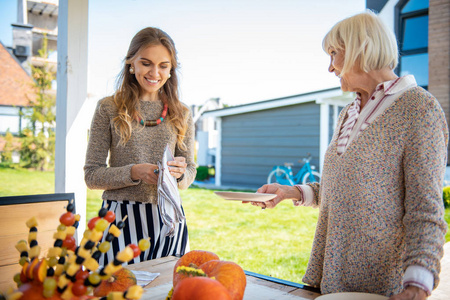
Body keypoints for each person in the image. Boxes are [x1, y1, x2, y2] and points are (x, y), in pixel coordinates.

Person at [248, 11, 448, 299]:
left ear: (361, 48)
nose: (330, 67)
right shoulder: (347, 113)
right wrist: (288, 191)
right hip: (332, 275)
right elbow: (342, 185)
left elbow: (425, 209)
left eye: (334, 54)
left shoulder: (419, 108)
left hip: (381, 286)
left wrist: (417, 286)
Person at [84, 27, 196, 265]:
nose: (155, 72)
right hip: (119, 220)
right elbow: (92, 175)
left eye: (163, 65)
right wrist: (134, 172)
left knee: (167, 289)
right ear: (131, 63)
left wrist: (179, 175)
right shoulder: (108, 108)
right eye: (146, 63)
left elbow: (190, 172)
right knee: (118, 289)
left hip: (169, 219)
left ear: (171, 69)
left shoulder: (182, 113)